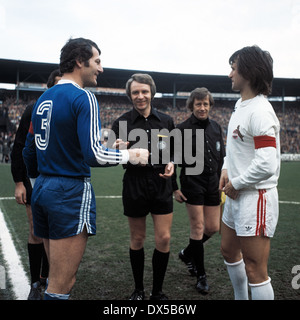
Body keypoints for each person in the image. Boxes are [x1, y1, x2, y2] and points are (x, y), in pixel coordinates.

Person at [22, 38, 149, 300]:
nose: (101, 69)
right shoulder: (84, 97)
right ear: (80, 61)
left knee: (53, 279)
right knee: (61, 284)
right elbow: (94, 155)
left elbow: (29, 152)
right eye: (97, 61)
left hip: (43, 189)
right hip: (69, 191)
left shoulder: (43, 99)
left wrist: (40, 185)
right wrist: (131, 155)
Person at [219, 45, 280, 300]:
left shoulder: (260, 110)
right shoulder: (240, 104)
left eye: (234, 68)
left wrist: (238, 183)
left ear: (249, 71)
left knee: (255, 269)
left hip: (255, 196)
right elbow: (236, 147)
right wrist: (225, 167)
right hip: (236, 193)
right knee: (229, 252)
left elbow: (267, 164)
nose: (230, 74)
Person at [110, 73, 175, 300]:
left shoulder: (166, 121)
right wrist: (117, 149)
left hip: (161, 184)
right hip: (134, 185)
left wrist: (171, 163)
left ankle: (157, 291)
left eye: (144, 91)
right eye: (135, 92)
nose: (140, 96)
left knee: (164, 239)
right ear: (129, 95)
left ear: (152, 93)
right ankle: (138, 290)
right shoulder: (120, 123)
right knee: (137, 239)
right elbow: (107, 156)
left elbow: (172, 152)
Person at [10, 68, 61, 300]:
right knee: (36, 231)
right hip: (34, 178)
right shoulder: (33, 109)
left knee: (57, 231)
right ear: (49, 87)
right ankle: (35, 283)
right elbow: (20, 147)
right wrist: (19, 182)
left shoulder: (72, 110)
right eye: (58, 85)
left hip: (62, 179)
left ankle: (51, 278)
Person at [173, 87, 225, 294]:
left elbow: (221, 156)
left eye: (205, 104)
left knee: (212, 227)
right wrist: (174, 188)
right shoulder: (182, 128)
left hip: (213, 182)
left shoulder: (216, 127)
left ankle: (187, 253)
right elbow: (171, 161)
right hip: (192, 182)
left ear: (210, 105)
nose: (202, 108)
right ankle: (201, 275)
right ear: (192, 106)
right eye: (198, 104)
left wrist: (222, 179)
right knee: (197, 227)